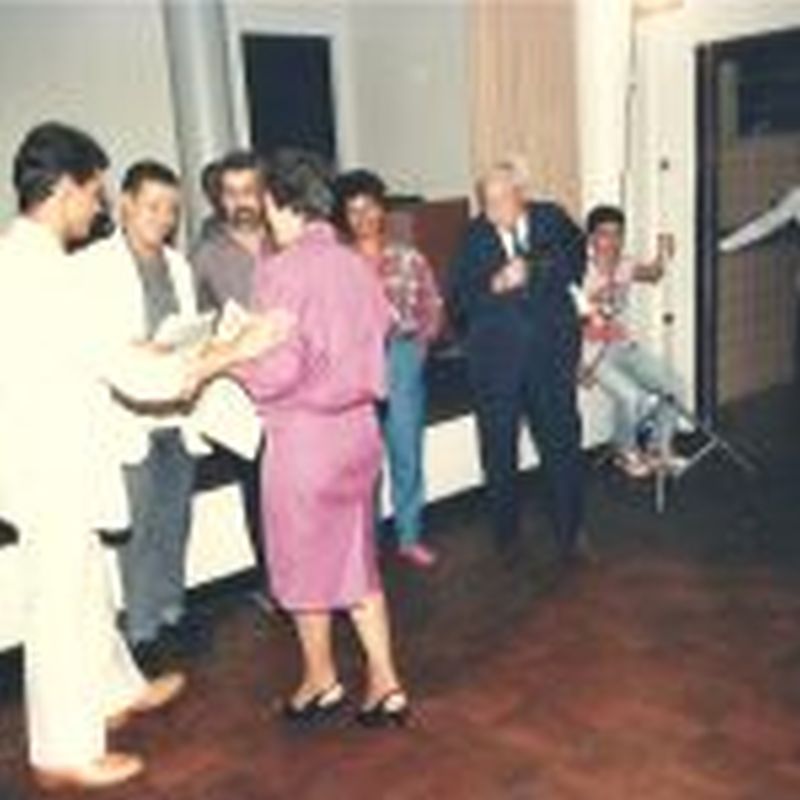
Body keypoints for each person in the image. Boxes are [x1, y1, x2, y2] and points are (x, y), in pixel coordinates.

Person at [189, 149, 411, 727]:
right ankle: (386, 683)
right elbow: (384, 328)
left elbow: (280, 369)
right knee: (356, 560)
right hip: (359, 432)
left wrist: (229, 361)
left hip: (305, 441)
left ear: (277, 201)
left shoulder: (283, 269)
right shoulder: (352, 263)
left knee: (301, 562)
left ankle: (321, 680)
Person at [0, 123, 189, 790]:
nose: (99, 207)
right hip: (48, 464)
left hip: (53, 455)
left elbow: (84, 351)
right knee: (58, 606)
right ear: (62, 189)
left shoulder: (23, 259)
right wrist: (218, 355)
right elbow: (125, 370)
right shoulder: (43, 273)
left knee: (88, 589)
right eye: (94, 193)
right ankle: (64, 751)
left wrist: (141, 352)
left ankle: (114, 690)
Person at [76, 161, 207, 659]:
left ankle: (172, 612)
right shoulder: (94, 265)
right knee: (138, 527)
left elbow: (188, 331)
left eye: (171, 209)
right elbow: (94, 344)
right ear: (125, 205)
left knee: (175, 521)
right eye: (152, 206)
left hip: (176, 412)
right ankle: (142, 629)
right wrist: (140, 349)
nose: (163, 218)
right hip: (127, 416)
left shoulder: (178, 264)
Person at [448, 157, 586, 565]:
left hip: (550, 360)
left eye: (500, 200)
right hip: (496, 367)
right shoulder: (473, 236)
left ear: (521, 195)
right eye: (486, 201)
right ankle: (506, 537)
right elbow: (457, 302)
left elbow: (575, 260)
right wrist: (492, 285)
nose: (491, 211)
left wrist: (532, 269)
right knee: (499, 453)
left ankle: (570, 530)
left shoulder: (551, 218)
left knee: (561, 446)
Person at [332, 169, 444, 569]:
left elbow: (433, 306)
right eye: (353, 210)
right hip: (354, 364)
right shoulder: (337, 264)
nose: (363, 217)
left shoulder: (407, 257)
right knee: (362, 460)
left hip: (401, 357)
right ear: (344, 217)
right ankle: (364, 545)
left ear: (382, 209)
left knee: (406, 452)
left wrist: (417, 350)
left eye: (369, 208)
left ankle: (409, 537)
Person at [190, 150, 272, 601]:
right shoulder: (205, 256)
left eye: (249, 191)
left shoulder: (286, 240)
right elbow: (194, 327)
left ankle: (310, 580)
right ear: (219, 198)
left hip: (296, 390)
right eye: (231, 193)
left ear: (264, 193)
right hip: (242, 398)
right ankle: (272, 584)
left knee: (300, 492)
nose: (240, 201)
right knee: (258, 492)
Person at [579, 205, 683, 478]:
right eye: (604, 234)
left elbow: (653, 274)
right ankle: (624, 453)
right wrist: (578, 367)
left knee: (674, 386)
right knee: (632, 397)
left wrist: (664, 253)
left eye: (618, 234)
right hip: (591, 354)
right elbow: (563, 324)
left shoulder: (625, 264)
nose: (612, 242)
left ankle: (659, 449)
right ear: (591, 238)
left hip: (622, 345)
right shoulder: (579, 271)